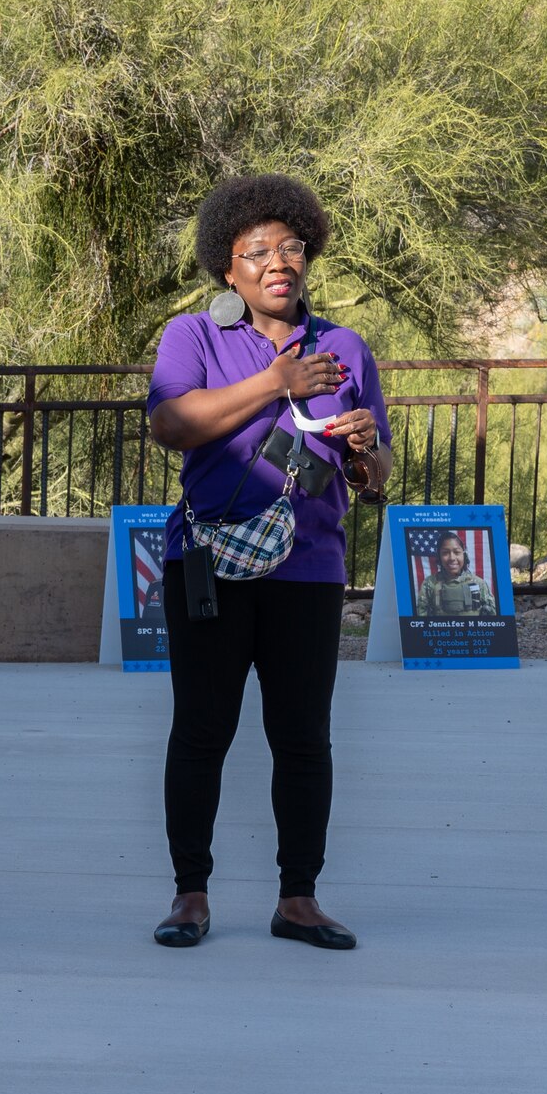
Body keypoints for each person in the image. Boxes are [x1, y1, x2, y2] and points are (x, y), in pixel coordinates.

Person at [145, 174, 392, 949]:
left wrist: (361, 451)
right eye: (257, 251)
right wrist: (276, 382)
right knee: (202, 731)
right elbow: (172, 424)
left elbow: (379, 473)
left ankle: (298, 898)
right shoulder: (195, 337)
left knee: (303, 737)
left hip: (309, 566)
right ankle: (191, 894)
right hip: (209, 564)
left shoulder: (344, 347)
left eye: (291, 247)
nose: (278, 262)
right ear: (229, 267)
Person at [414, 531, 496, 617]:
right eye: (445, 553)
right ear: (439, 556)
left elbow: (492, 618)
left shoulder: (479, 584)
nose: (452, 558)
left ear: (464, 555)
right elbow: (421, 620)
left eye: (457, 552)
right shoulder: (430, 584)